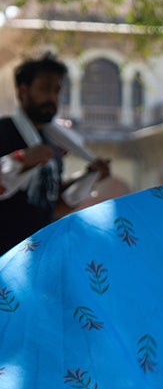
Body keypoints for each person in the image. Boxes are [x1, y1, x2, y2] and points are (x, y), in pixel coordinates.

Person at [0, 53, 110, 255]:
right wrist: (21, 160)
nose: (51, 97)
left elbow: (53, 208)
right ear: (23, 90)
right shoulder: (4, 132)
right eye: (44, 88)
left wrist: (88, 178)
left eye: (57, 90)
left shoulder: (52, 145)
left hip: (37, 257)